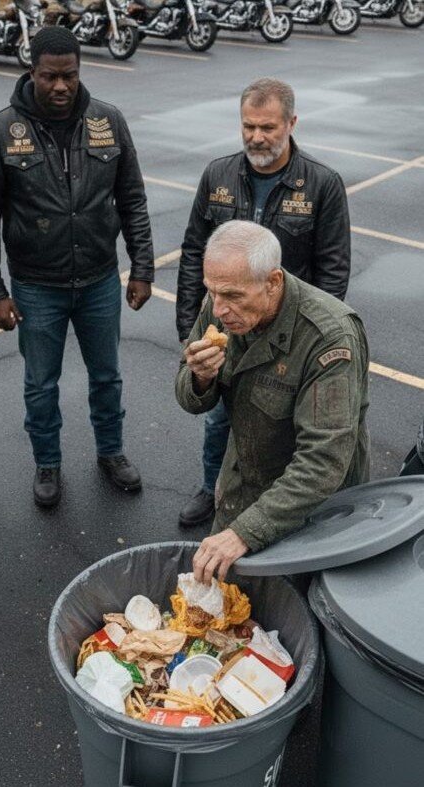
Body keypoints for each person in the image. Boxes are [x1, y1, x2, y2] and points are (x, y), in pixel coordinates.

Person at [0, 27, 154, 507]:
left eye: (69, 75)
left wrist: (143, 267)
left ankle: (111, 452)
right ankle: (47, 463)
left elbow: (132, 199)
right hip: (36, 285)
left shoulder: (108, 121)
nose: (60, 86)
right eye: (49, 76)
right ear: (31, 71)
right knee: (40, 384)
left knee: (107, 376)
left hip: (99, 280)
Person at [176, 78, 351, 529]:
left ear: (291, 123)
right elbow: (194, 250)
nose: (256, 137)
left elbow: (332, 269)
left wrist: (310, 340)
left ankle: (277, 508)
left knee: (281, 429)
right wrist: (189, 327)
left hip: (287, 337)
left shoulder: (322, 183)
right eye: (248, 126)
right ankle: (213, 489)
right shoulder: (218, 175)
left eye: (268, 127)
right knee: (220, 421)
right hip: (233, 330)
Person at [175, 220, 369, 584]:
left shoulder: (329, 337)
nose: (218, 310)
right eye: (211, 292)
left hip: (313, 515)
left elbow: (323, 461)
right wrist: (200, 377)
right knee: (222, 598)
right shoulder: (220, 302)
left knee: (296, 608)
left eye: (232, 296)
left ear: (273, 282)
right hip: (242, 485)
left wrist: (244, 533)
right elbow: (190, 398)